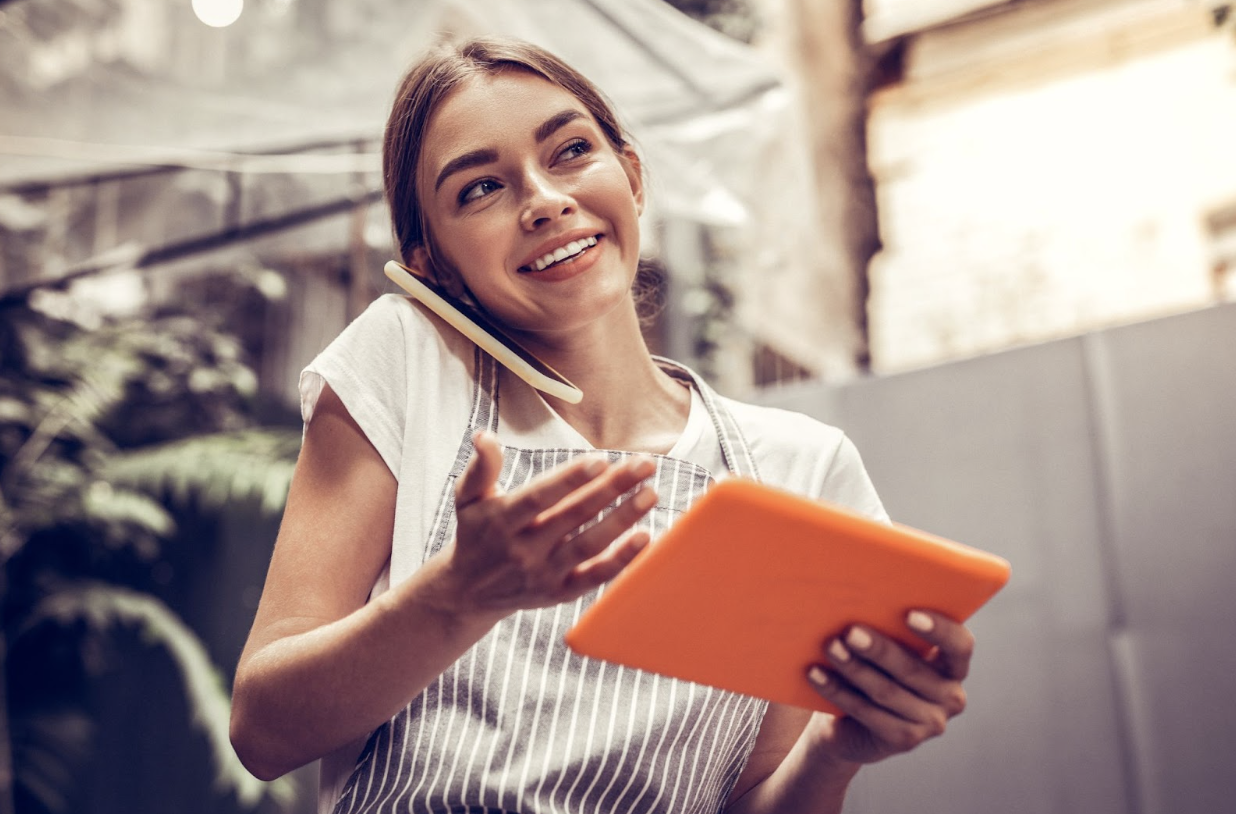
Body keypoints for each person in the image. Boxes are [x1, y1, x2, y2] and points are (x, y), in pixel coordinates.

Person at [229, 36, 975, 814]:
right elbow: (263, 731)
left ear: (634, 177)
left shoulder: (803, 471)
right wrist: (457, 596)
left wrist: (835, 749)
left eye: (572, 150)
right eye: (480, 189)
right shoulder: (406, 362)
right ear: (430, 268)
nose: (544, 200)